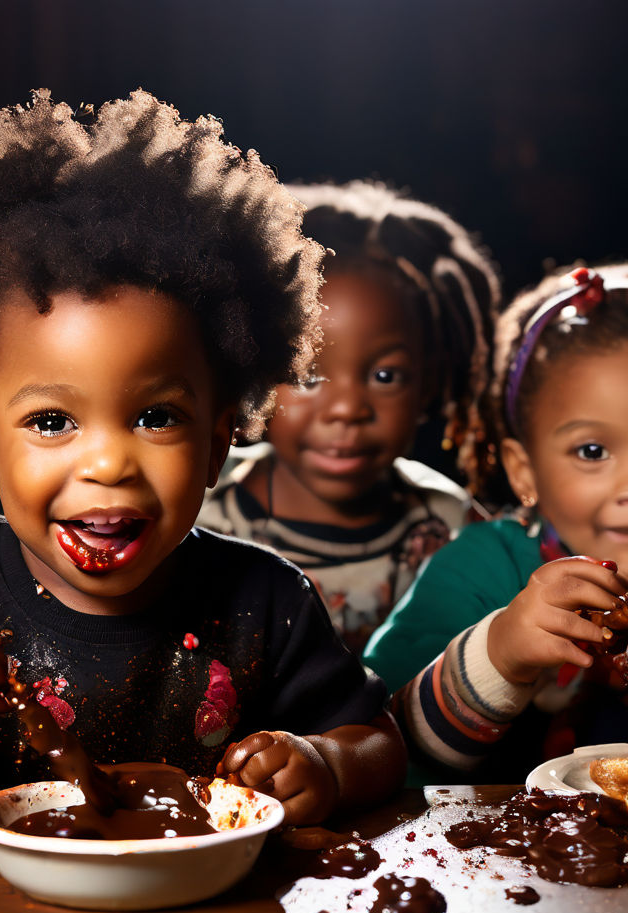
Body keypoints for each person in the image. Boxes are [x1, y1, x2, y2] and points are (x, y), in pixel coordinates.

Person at [0, 91, 406, 821]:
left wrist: (326, 762)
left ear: (218, 441)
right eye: (52, 420)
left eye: (154, 416)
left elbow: (379, 744)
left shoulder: (266, 602)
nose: (107, 464)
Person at [197, 180, 501, 654]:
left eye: (385, 375)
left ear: (430, 378)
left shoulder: (456, 529)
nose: (346, 409)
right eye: (307, 375)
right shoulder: (197, 511)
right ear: (251, 366)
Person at [364, 262, 628, 781]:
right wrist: (501, 654)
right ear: (524, 470)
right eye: (592, 450)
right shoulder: (478, 571)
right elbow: (380, 748)